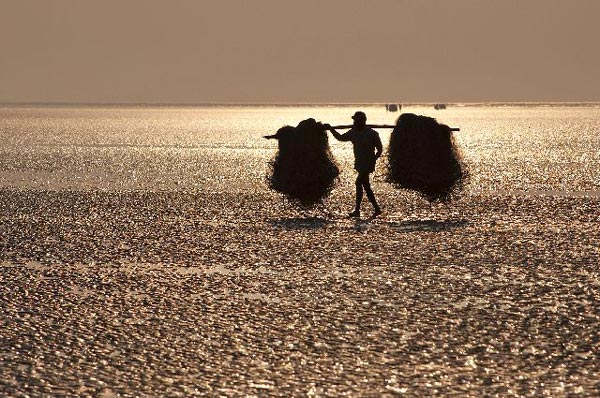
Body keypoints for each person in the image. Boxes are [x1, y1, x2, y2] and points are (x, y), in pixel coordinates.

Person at [324, 111, 383, 218]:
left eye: (356, 120)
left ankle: (358, 210)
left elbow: (379, 149)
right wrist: (331, 129)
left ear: (362, 121)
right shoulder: (353, 132)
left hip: (368, 163)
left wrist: (373, 159)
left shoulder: (372, 133)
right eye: (354, 120)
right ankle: (376, 209)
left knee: (358, 183)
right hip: (359, 163)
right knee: (365, 186)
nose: (354, 122)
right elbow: (340, 138)